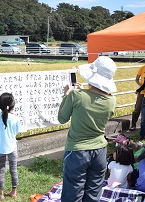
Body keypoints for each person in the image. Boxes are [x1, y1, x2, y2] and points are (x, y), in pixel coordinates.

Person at [58, 56, 117, 202]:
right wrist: (82, 92)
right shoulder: (111, 101)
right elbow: (93, 100)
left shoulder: (76, 95)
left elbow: (62, 118)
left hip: (77, 152)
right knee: (93, 194)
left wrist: (67, 94)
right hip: (100, 151)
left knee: (72, 193)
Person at [0, 92, 19, 201]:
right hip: (12, 146)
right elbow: (16, 132)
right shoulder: (15, 118)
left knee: (1, 171)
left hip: (0, 148)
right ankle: (13, 192)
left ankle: (1, 194)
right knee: (14, 169)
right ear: (12, 104)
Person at [129, 52, 145, 131]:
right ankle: (133, 125)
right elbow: (137, 79)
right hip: (142, 92)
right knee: (137, 109)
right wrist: (140, 85)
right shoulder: (142, 68)